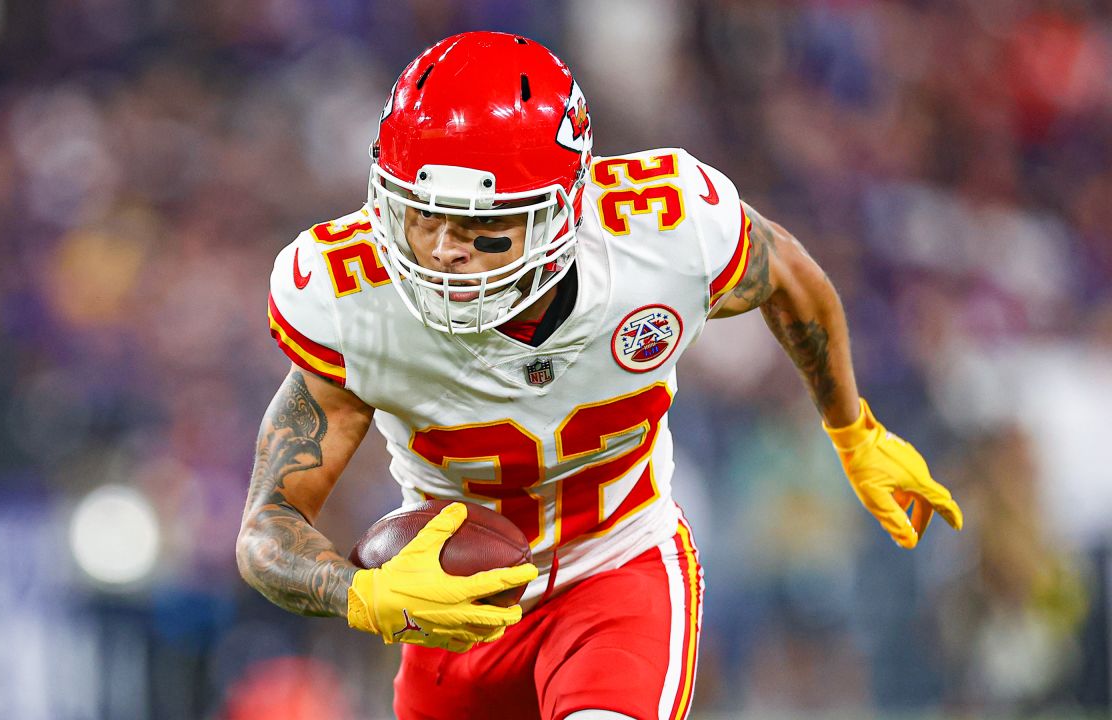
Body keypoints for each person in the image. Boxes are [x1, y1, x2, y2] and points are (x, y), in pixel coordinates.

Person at [236, 31, 963, 720]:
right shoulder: (349, 297)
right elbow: (267, 531)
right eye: (421, 218)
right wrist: (360, 593)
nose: (442, 254)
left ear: (562, 212)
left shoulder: (664, 232)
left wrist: (852, 430)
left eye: (482, 227)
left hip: (618, 568)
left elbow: (792, 280)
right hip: (454, 605)